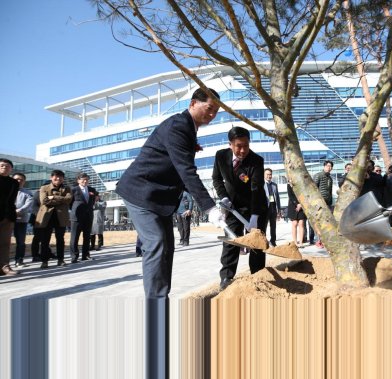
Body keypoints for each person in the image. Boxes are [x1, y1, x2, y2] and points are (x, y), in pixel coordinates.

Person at [114, 87, 224, 379]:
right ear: (193, 103)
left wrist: (190, 149)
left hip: (159, 198)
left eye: (216, 111)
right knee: (157, 245)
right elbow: (186, 171)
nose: (211, 114)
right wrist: (209, 208)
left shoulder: (187, 131)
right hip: (140, 192)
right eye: (208, 108)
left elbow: (178, 160)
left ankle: (161, 301)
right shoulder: (178, 126)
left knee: (168, 248)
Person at [212, 126, 268, 289]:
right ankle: (226, 277)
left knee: (256, 243)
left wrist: (255, 217)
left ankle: (258, 275)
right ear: (230, 144)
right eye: (239, 146)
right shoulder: (221, 156)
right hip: (232, 206)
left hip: (256, 206)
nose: (243, 150)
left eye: (246, 145)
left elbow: (256, 189)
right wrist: (223, 196)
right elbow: (216, 179)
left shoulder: (256, 160)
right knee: (232, 241)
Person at [35, 170, 72, 268]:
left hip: (61, 217)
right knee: (45, 240)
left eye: (60, 177)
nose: (58, 179)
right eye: (56, 177)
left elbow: (68, 200)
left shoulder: (67, 188)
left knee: (60, 239)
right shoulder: (44, 187)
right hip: (47, 217)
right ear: (51, 177)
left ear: (63, 179)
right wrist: (60, 199)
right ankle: (44, 261)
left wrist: (52, 197)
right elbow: (44, 201)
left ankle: (60, 259)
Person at [69, 173, 99, 263]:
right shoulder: (73, 190)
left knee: (87, 237)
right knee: (75, 237)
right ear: (78, 180)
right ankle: (74, 256)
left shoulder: (92, 190)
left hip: (88, 216)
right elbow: (70, 203)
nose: (85, 181)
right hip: (76, 216)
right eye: (83, 179)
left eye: (86, 179)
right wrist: (74, 210)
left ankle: (85, 255)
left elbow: (92, 201)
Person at [0, 158, 20, 276]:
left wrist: (12, 214)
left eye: (7, 166)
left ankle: (4, 266)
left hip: (8, 216)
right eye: (1, 165)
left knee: (5, 243)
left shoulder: (14, 183)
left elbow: (11, 200)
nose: (4, 168)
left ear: (11, 169)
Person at [12, 172, 34, 267]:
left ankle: (19, 260)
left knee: (20, 242)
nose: (19, 181)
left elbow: (28, 206)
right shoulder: (6, 190)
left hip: (21, 220)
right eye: (17, 179)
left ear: (24, 181)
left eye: (21, 179)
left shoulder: (28, 193)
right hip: (6, 220)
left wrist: (17, 211)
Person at [312, 160, 334, 248]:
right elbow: (314, 188)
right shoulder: (318, 175)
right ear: (324, 166)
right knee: (319, 223)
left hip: (328, 203)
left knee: (326, 223)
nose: (330, 168)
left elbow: (330, 191)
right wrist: (317, 201)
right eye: (328, 166)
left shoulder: (330, 178)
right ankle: (318, 241)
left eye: (331, 166)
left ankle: (324, 240)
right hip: (320, 203)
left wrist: (330, 201)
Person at [263, 168, 281, 247]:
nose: (269, 176)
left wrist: (279, 210)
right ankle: (263, 242)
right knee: (264, 227)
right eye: (267, 174)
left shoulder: (274, 185)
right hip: (265, 209)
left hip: (273, 208)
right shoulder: (261, 184)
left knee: (273, 226)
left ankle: (273, 241)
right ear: (264, 175)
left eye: (270, 174)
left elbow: (277, 198)